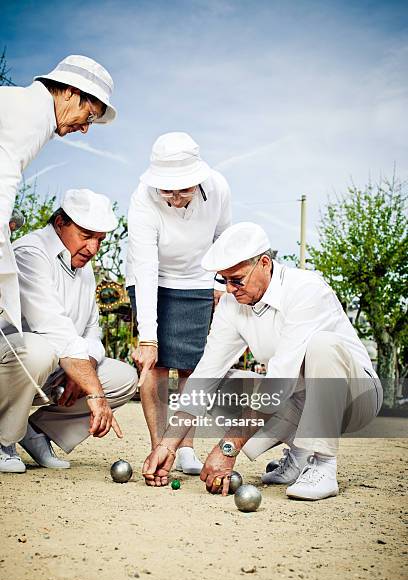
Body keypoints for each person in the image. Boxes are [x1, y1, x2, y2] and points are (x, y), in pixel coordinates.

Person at [142, 222, 383, 500]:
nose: (230, 290)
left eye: (237, 280)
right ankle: (299, 457)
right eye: (224, 281)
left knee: (321, 346)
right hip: (300, 398)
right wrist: (168, 445)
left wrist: (227, 448)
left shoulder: (306, 289)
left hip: (356, 397)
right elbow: (207, 373)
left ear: (265, 263)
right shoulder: (232, 305)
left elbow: (280, 380)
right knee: (223, 386)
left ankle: (324, 464)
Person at [0, 189, 138, 473]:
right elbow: (54, 329)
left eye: (100, 240)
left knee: (124, 378)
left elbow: (92, 333)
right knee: (40, 351)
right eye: (86, 236)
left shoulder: (83, 266)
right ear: (60, 222)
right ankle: (3, 439)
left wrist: (83, 369)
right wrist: (93, 392)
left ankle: (37, 431)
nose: (93, 248)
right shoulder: (30, 252)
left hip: (53, 368)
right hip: (14, 364)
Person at [126, 132, 231, 474]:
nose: (173, 196)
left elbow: (222, 239)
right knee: (156, 366)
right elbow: (145, 266)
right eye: (166, 189)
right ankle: (160, 446)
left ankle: (184, 447)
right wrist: (148, 338)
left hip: (197, 279)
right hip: (150, 279)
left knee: (191, 366)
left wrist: (219, 282)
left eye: (182, 189)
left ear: (198, 179)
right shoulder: (142, 199)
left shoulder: (218, 188)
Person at [0, 54, 116, 331]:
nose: (86, 128)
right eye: (89, 115)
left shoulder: (22, 105)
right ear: (69, 92)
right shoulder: (30, 117)